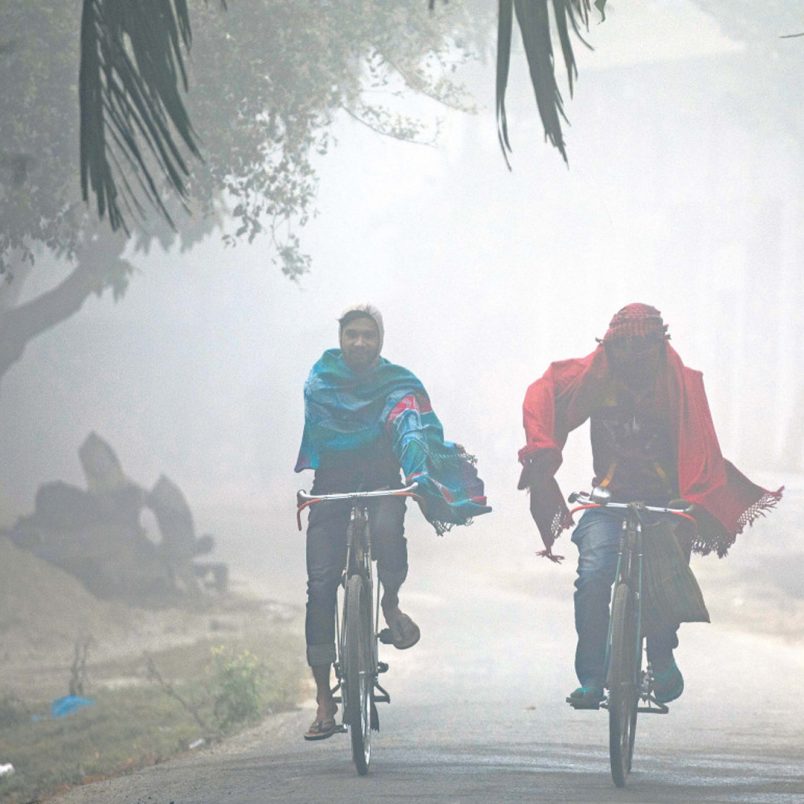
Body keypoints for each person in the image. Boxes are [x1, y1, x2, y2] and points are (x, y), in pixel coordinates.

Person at [517, 303, 782, 707]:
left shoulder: (682, 384)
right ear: (611, 347)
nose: (634, 355)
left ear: (661, 345)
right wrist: (542, 446)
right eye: (625, 346)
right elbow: (546, 392)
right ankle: (591, 675)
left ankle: (661, 654)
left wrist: (693, 499)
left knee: (666, 574)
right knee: (592, 576)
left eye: (644, 346)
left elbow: (703, 447)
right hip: (606, 501)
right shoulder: (595, 377)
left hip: (666, 500)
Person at [296, 304, 491, 740]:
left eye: (368, 335)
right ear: (341, 339)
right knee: (321, 585)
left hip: (385, 481)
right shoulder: (320, 382)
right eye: (353, 335)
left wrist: (418, 469)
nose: (360, 342)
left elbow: (410, 428)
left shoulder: (398, 384)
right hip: (331, 485)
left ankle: (390, 603)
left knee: (387, 534)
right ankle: (324, 699)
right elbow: (323, 429)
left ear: (379, 340)